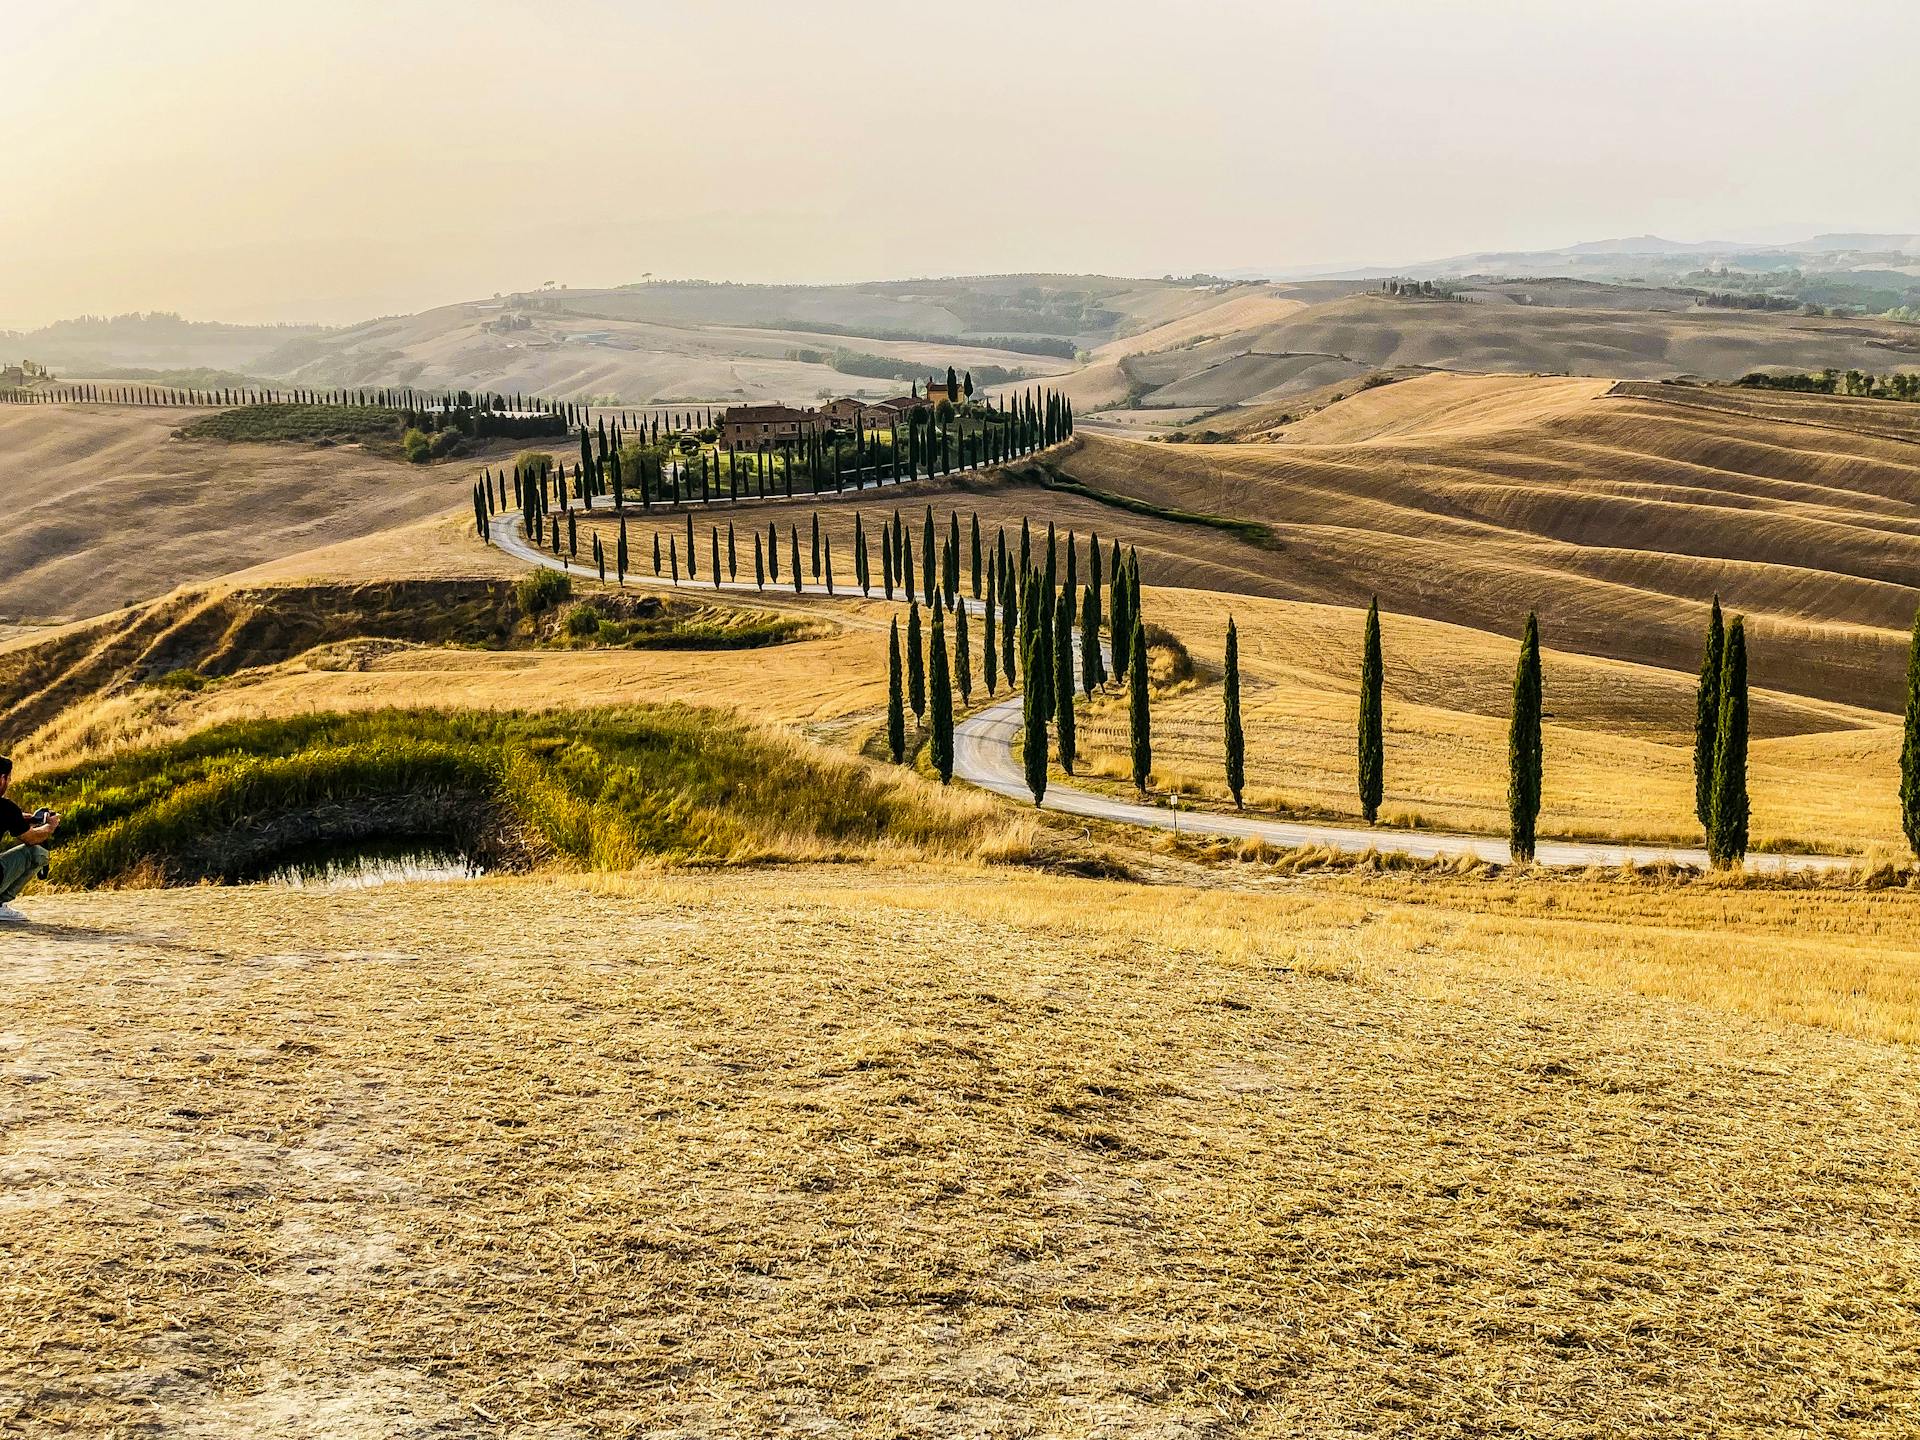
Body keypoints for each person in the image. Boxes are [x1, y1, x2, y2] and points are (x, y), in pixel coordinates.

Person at [0, 756, 59, 922]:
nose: (9, 783)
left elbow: (10, 818)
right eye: (9, 778)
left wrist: (27, 818)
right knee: (37, 853)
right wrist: (50, 826)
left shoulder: (7, 811)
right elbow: (32, 839)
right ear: (2, 778)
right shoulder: (5, 808)